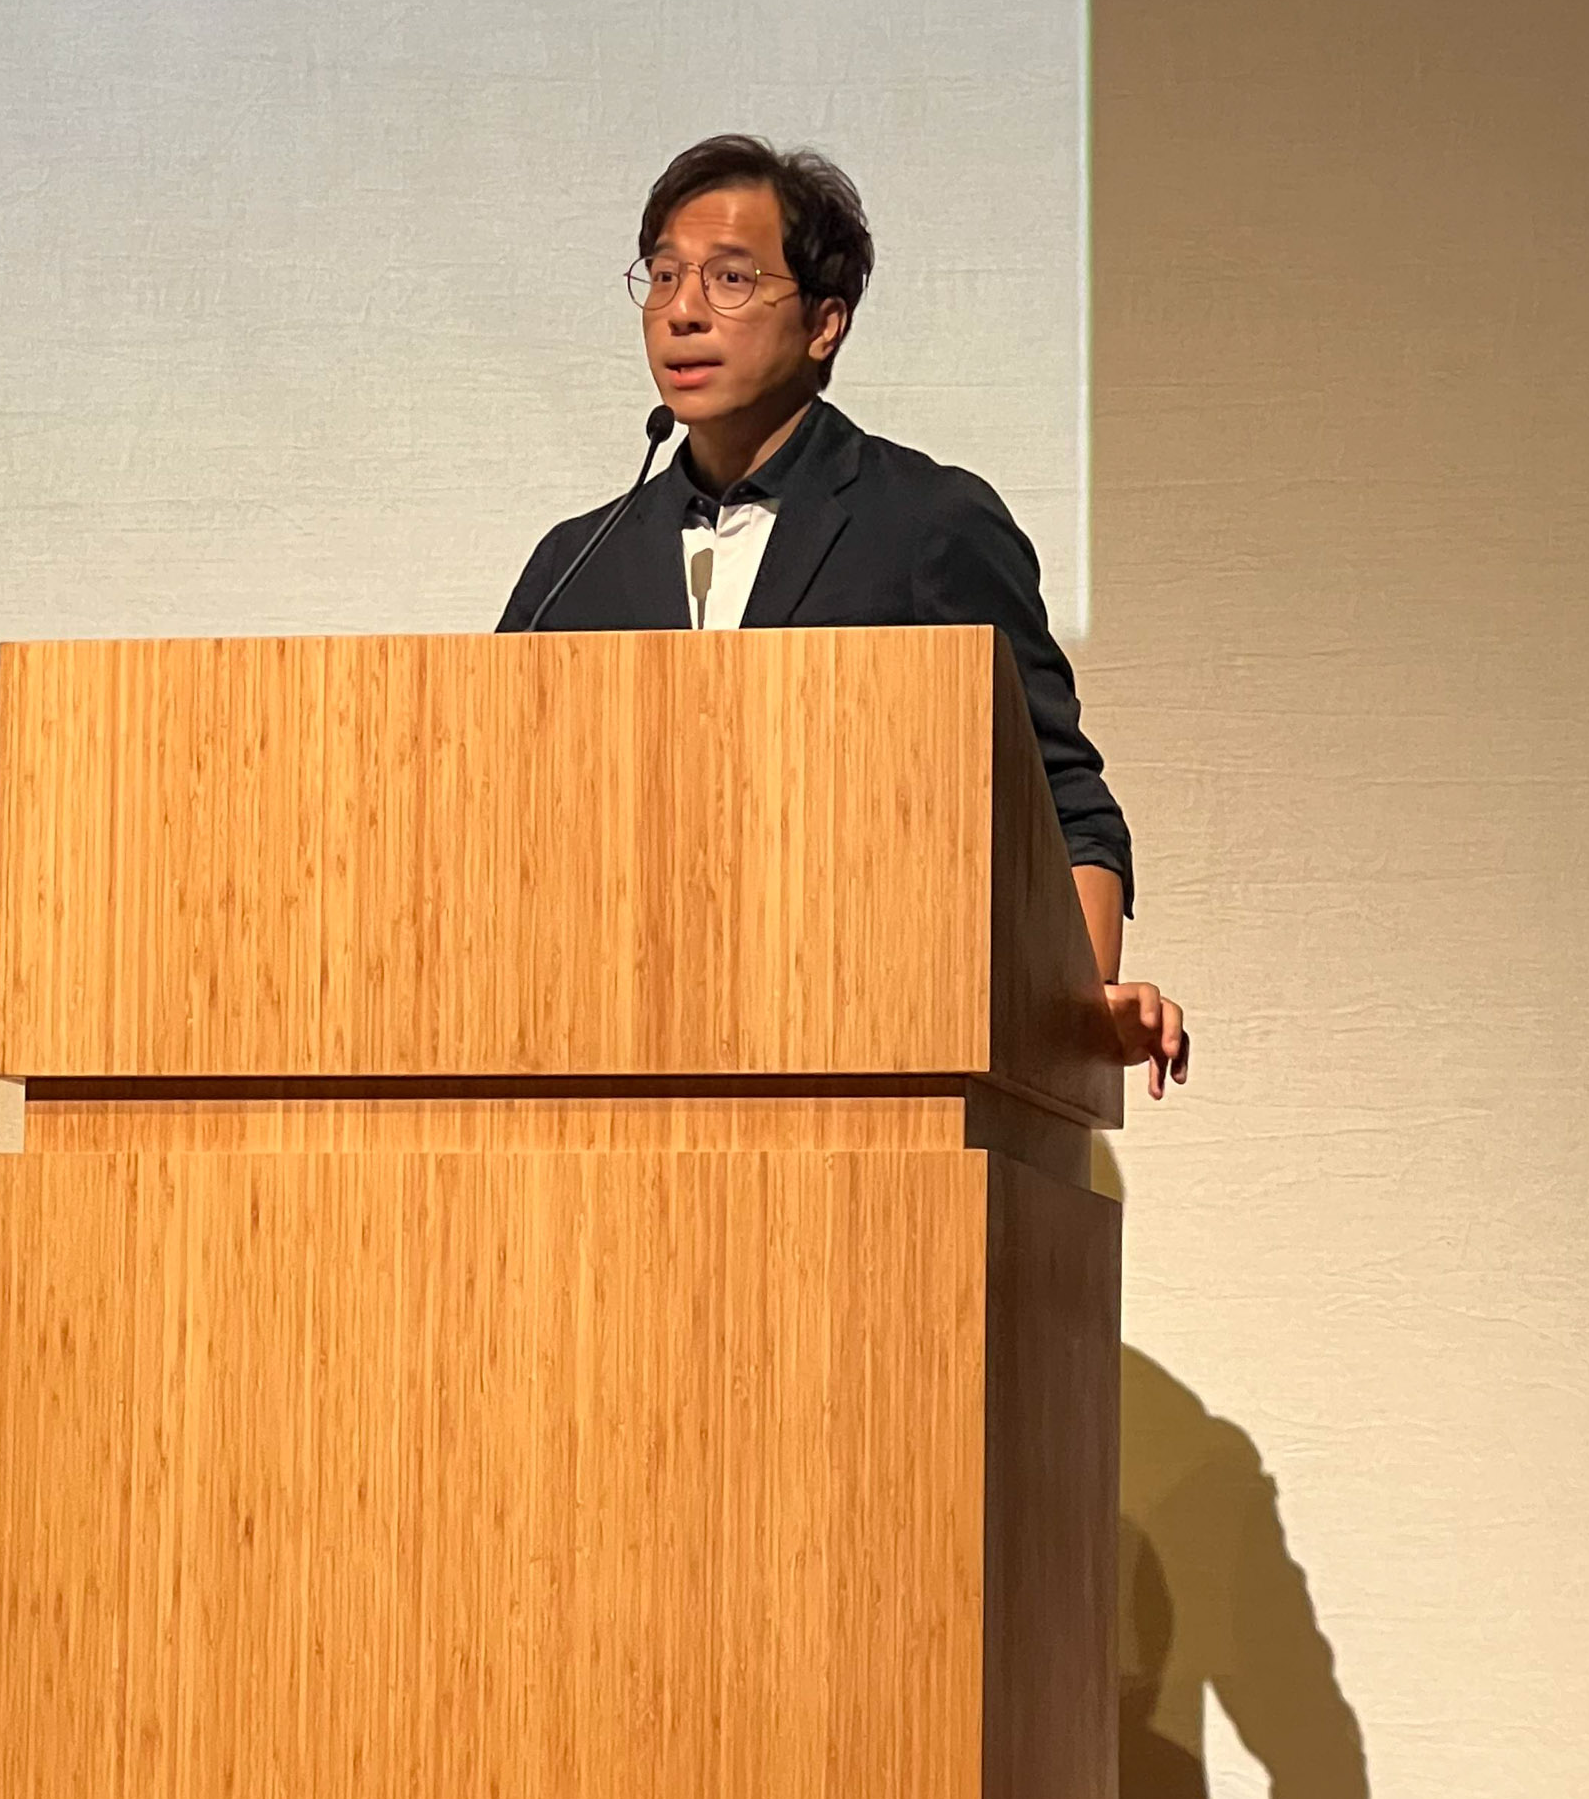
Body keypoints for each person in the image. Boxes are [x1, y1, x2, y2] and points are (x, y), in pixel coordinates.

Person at [497, 133, 1188, 1089]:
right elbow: (496, 813)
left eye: (730, 279)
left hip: (870, 1052)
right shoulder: (578, 564)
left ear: (826, 323)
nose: (683, 311)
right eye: (663, 276)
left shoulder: (928, 523)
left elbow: (1058, 802)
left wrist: (1077, 1002)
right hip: (607, 1057)